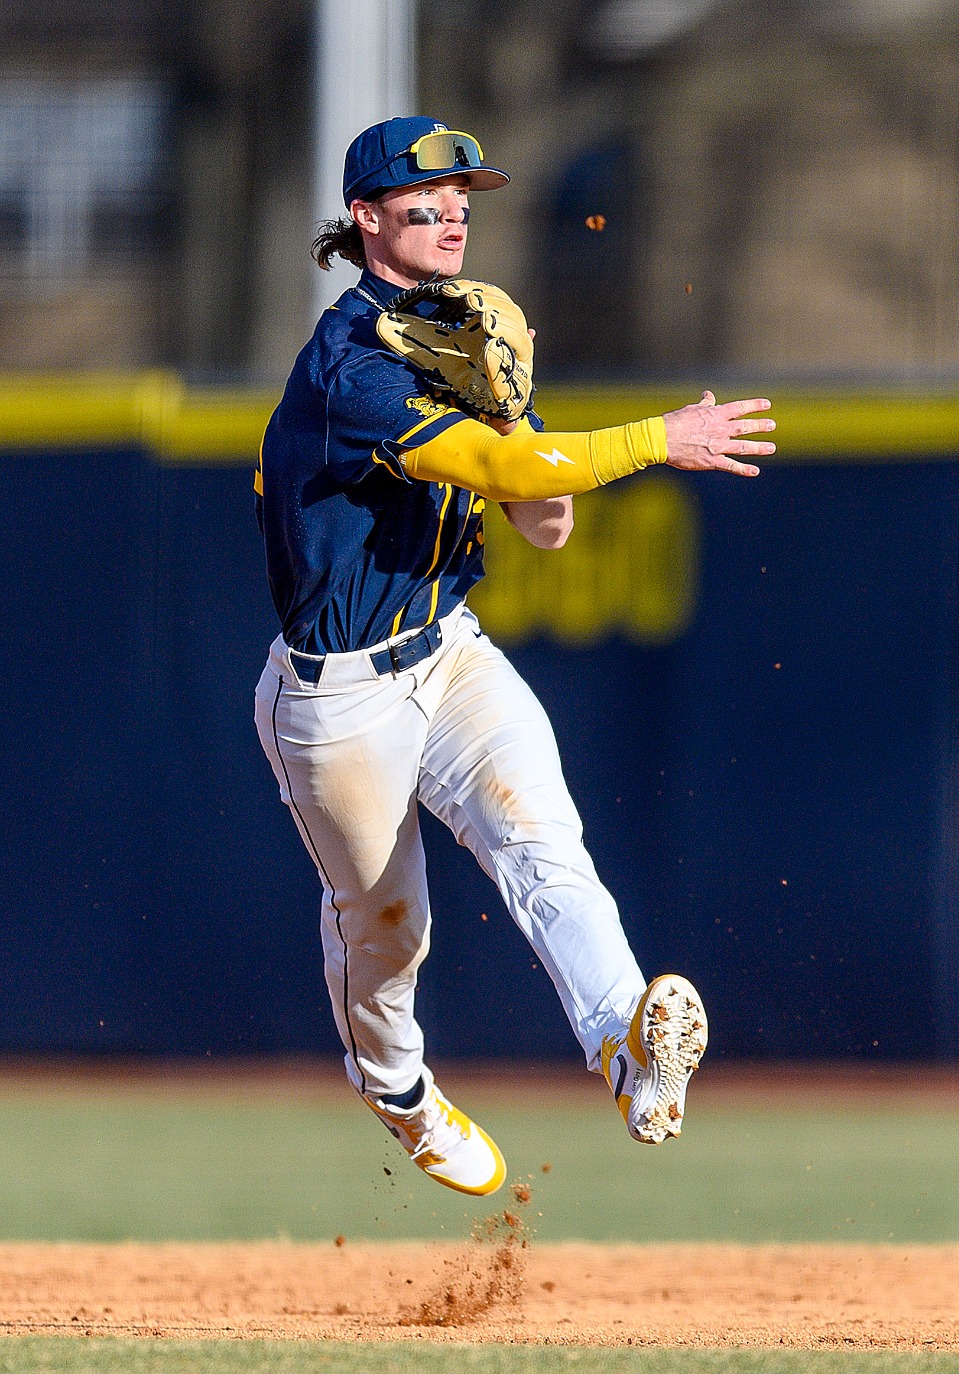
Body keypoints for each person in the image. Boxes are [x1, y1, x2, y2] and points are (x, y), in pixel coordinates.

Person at [253, 117, 774, 1196]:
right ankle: (395, 1087)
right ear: (366, 218)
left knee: (542, 839)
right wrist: (650, 441)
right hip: (337, 695)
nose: (450, 216)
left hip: (447, 651)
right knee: (388, 929)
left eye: (461, 202)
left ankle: (627, 1048)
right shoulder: (350, 366)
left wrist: (516, 422)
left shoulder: (461, 336)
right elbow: (498, 461)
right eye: (423, 202)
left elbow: (542, 522)